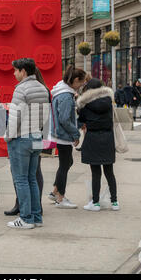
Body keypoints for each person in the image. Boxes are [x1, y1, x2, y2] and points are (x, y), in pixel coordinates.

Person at [4, 58, 49, 229]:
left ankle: (26, 218)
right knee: (32, 178)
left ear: (23, 71)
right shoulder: (42, 88)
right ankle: (36, 216)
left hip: (21, 138)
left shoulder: (20, 89)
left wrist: (8, 137)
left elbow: (15, 118)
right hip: (37, 137)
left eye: (15, 71)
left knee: (21, 179)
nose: (14, 74)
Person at [77, 78, 119, 212]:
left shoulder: (85, 104)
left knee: (95, 173)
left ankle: (95, 203)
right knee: (109, 172)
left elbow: (81, 119)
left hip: (93, 138)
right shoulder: (108, 102)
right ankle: (115, 202)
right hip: (107, 137)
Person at [47, 67, 87, 209]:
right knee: (65, 164)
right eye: (81, 83)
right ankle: (60, 197)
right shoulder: (65, 96)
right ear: (75, 80)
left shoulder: (61, 91)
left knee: (67, 162)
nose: (81, 86)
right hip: (62, 135)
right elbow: (65, 119)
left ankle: (55, 192)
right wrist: (75, 134)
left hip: (59, 133)